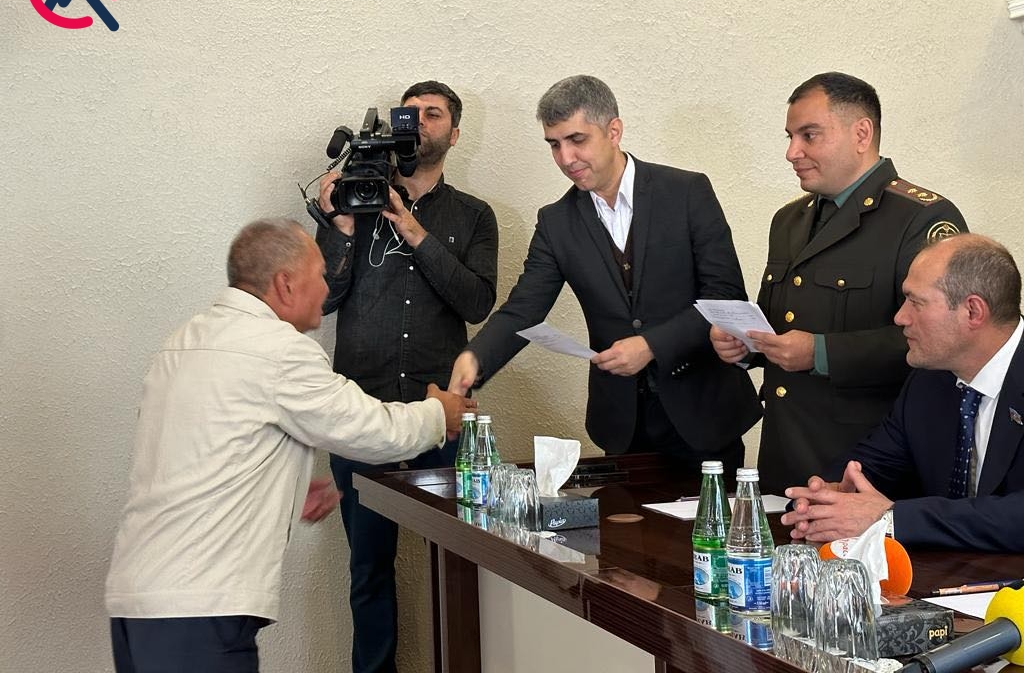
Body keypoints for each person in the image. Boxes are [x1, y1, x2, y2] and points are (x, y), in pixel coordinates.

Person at [105, 218, 473, 673]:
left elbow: (199, 452)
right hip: (199, 608)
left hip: (138, 600)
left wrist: (286, 485)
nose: (328, 288)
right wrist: (439, 413)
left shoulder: (182, 342)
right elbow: (372, 430)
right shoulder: (278, 349)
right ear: (285, 284)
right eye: (321, 274)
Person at [449, 75, 760, 474]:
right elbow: (523, 309)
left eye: (577, 140)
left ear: (614, 131)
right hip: (621, 425)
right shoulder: (555, 222)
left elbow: (725, 296)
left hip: (706, 415)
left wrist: (651, 345)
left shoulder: (687, 192)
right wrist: (475, 357)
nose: (566, 158)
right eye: (554, 144)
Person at [710, 72, 968, 493]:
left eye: (809, 135)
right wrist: (745, 345)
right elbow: (781, 320)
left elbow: (945, 340)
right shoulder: (789, 220)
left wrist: (821, 353)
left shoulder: (920, 218)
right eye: (790, 136)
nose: (792, 152)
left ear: (861, 134)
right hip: (784, 453)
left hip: (866, 461)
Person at [315, 81, 497, 673]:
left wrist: (415, 233)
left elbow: (477, 302)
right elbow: (322, 299)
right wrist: (341, 226)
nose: (418, 121)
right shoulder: (355, 199)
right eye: (408, 112)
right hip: (360, 416)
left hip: (443, 417)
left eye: (432, 114)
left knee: (462, 561)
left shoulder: (474, 215)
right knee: (368, 568)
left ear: (455, 133)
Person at [782, 234, 1024, 552]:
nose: (900, 318)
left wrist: (891, 519)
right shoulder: (928, 380)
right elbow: (874, 462)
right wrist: (825, 498)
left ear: (973, 312)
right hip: (951, 574)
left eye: (916, 302)